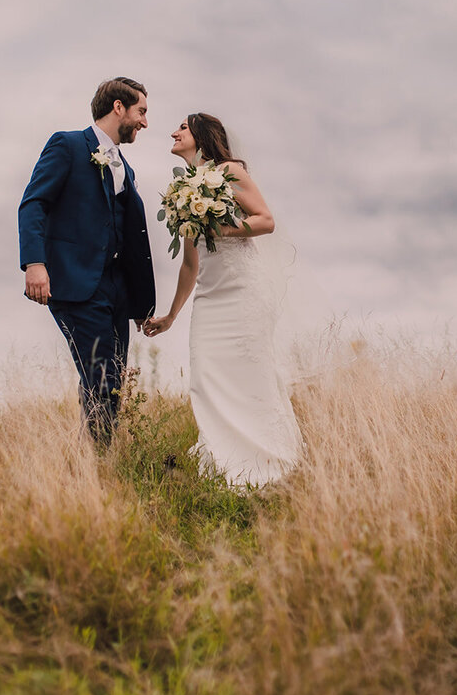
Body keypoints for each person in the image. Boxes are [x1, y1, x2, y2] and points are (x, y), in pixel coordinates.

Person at [143, 113, 302, 486]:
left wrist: (220, 228)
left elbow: (265, 220)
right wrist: (170, 316)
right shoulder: (185, 190)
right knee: (205, 378)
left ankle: (266, 466)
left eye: (181, 127)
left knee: (249, 375)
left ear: (200, 135)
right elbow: (188, 265)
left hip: (243, 291)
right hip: (209, 299)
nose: (173, 132)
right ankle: (223, 460)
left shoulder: (229, 172)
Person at [18, 77, 155, 445]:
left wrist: (139, 302)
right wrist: (35, 262)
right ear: (118, 107)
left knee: (115, 378)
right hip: (77, 282)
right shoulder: (67, 145)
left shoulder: (125, 166)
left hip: (115, 290)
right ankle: (99, 462)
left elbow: (129, 236)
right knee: (101, 377)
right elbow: (34, 204)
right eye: (141, 111)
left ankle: (98, 458)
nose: (144, 122)